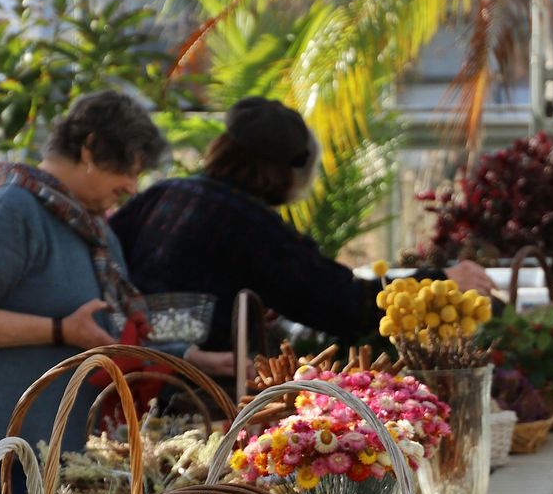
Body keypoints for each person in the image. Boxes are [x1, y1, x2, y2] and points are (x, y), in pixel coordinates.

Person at [112, 96, 494, 351]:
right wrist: (438, 283)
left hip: (126, 366)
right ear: (284, 172)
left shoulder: (162, 193)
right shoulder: (253, 226)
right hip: (198, 387)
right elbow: (341, 303)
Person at [0, 90, 177, 472]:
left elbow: (112, 330)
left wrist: (197, 358)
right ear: (90, 149)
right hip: (16, 452)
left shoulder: (91, 224)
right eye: (127, 171)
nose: (132, 187)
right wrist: (61, 330)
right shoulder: (12, 209)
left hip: (75, 446)